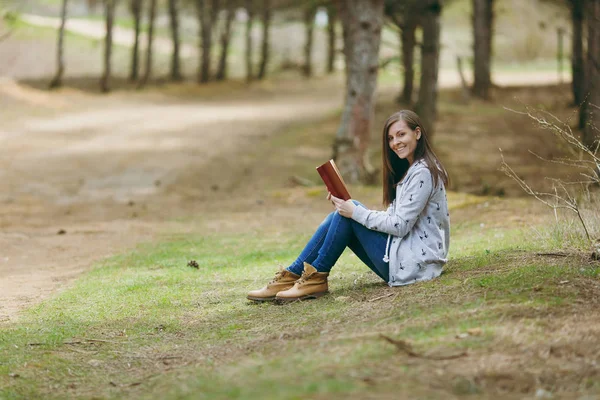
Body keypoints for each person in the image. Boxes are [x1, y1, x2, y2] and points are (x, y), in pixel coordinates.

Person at [247, 110, 450, 302]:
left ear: (417, 133)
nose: (395, 143)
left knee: (347, 214)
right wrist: (351, 208)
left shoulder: (423, 172)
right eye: (391, 138)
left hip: (415, 265)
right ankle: (295, 276)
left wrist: (354, 212)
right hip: (405, 255)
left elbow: (400, 226)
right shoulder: (412, 169)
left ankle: (313, 278)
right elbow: (397, 218)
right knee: (346, 212)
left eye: (401, 135)